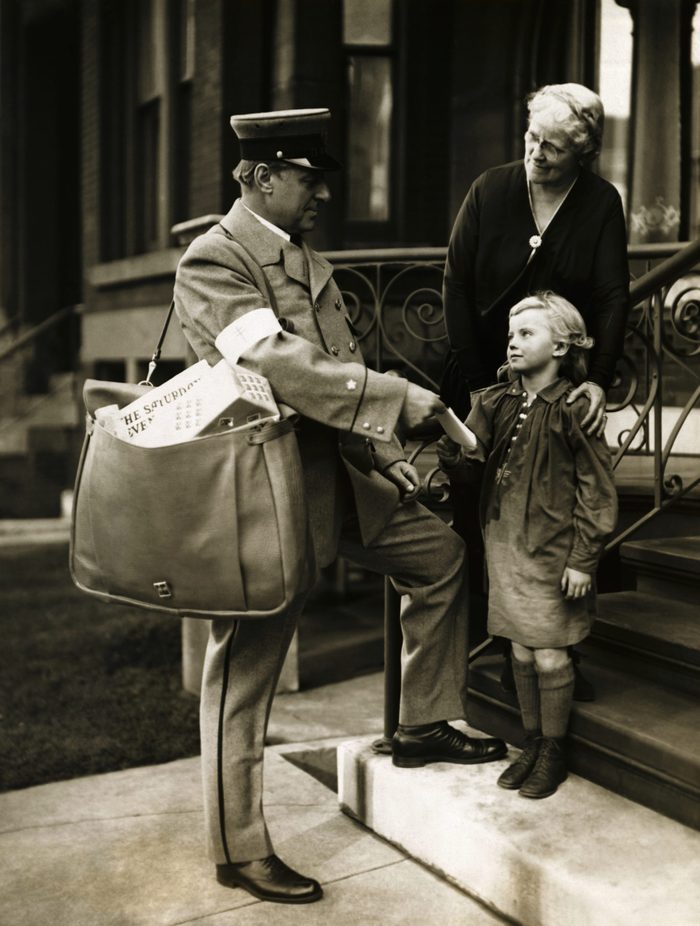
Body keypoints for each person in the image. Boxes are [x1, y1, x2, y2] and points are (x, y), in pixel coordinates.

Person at [173, 108, 506, 906]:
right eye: (305, 177)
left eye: (321, 178)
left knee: (439, 558)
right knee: (247, 669)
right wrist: (400, 400)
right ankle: (237, 846)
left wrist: (391, 460)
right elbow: (275, 363)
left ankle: (423, 721)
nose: (321, 191)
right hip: (265, 487)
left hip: (342, 479)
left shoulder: (303, 258)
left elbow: (336, 383)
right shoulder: (215, 261)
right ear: (257, 178)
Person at [440, 83, 630, 698]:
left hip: (561, 386)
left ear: (583, 152)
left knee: (561, 509)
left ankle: (564, 651)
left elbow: (610, 294)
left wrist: (598, 379)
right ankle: (502, 645)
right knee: (485, 517)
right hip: (484, 380)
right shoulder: (490, 190)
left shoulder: (599, 202)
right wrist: (477, 386)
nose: (537, 155)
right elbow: (455, 285)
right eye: (531, 140)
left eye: (552, 147)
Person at [437, 292, 617, 798]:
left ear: (561, 345)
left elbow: (597, 491)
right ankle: (532, 743)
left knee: (550, 657)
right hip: (505, 548)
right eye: (511, 335)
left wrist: (584, 559)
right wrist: (453, 447)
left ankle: (553, 748)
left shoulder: (575, 408)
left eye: (527, 334)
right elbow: (471, 463)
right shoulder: (494, 401)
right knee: (518, 649)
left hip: (555, 554)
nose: (513, 343)